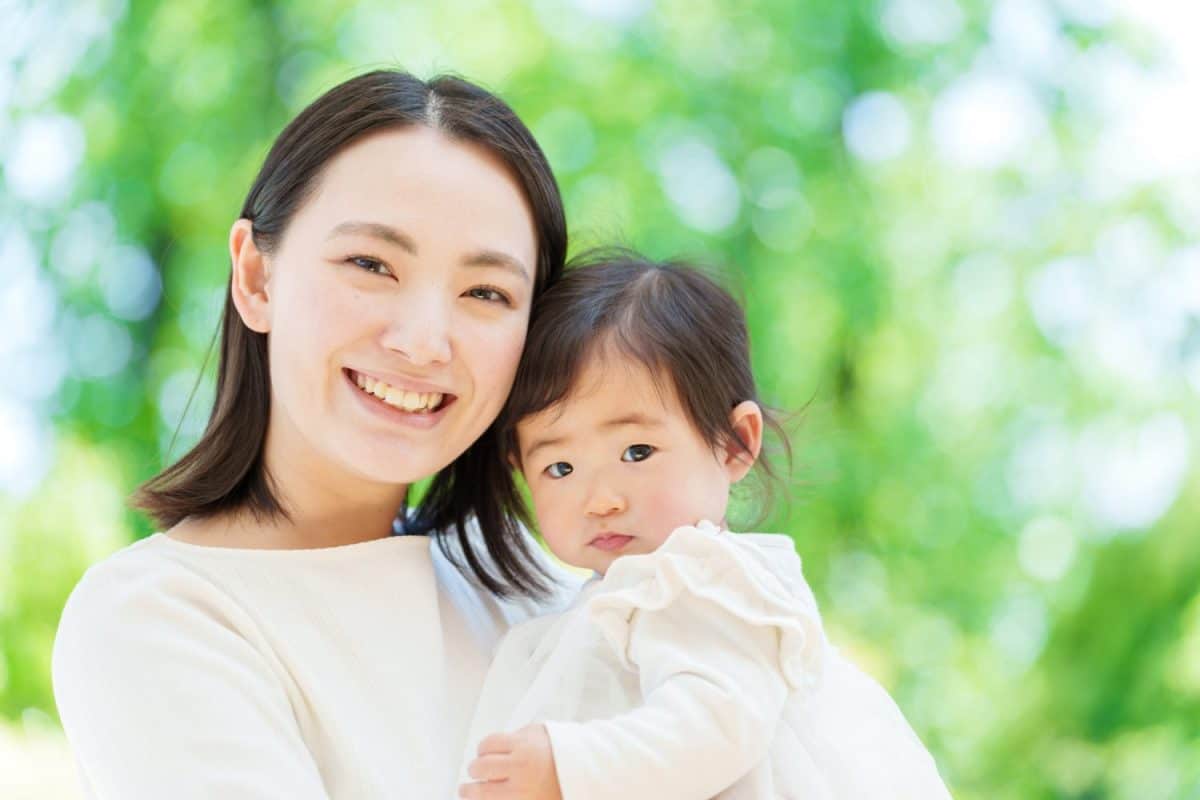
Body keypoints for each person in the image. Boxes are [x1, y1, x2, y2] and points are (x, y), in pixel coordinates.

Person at [51, 69, 580, 799]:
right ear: (257, 280)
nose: (424, 341)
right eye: (371, 264)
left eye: (486, 292)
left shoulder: (557, 601)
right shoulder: (156, 618)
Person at [457, 252, 954, 799]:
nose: (599, 499)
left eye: (637, 451)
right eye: (560, 468)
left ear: (735, 442)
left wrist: (570, 767)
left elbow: (716, 724)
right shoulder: (599, 605)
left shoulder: (704, 579)